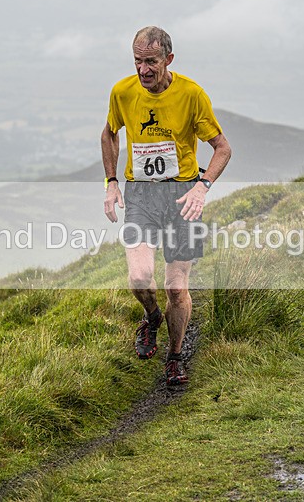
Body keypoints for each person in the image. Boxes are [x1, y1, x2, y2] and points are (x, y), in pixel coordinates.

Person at [101, 26, 232, 386]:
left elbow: (223, 148)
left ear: (168, 60)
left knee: (177, 287)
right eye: (137, 62)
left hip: (182, 196)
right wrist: (112, 182)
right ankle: (152, 317)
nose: (143, 70)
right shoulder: (123, 92)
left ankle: (175, 357)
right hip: (142, 194)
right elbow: (109, 132)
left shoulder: (192, 94)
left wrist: (203, 188)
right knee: (139, 277)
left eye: (151, 62)